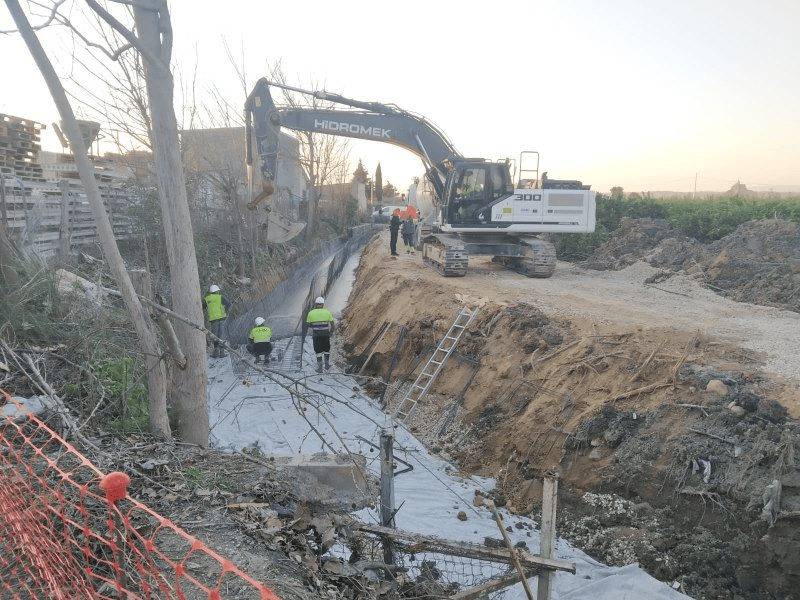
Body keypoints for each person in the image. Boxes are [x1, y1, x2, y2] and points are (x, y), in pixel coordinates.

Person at [306, 296, 335, 373]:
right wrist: (331, 333)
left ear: (315, 304)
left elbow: (308, 324)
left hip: (316, 335)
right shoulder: (327, 312)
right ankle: (327, 365)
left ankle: (320, 368)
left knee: (318, 351)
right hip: (326, 334)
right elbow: (332, 324)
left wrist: (315, 326)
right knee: (326, 350)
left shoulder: (311, 313)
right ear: (323, 304)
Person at [203, 284, 230, 358]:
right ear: (217, 291)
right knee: (221, 335)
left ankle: (215, 352)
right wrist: (226, 312)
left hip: (213, 320)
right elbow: (228, 304)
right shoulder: (220, 297)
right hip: (222, 319)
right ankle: (222, 352)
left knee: (214, 336)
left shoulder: (207, 299)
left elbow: (202, 307)